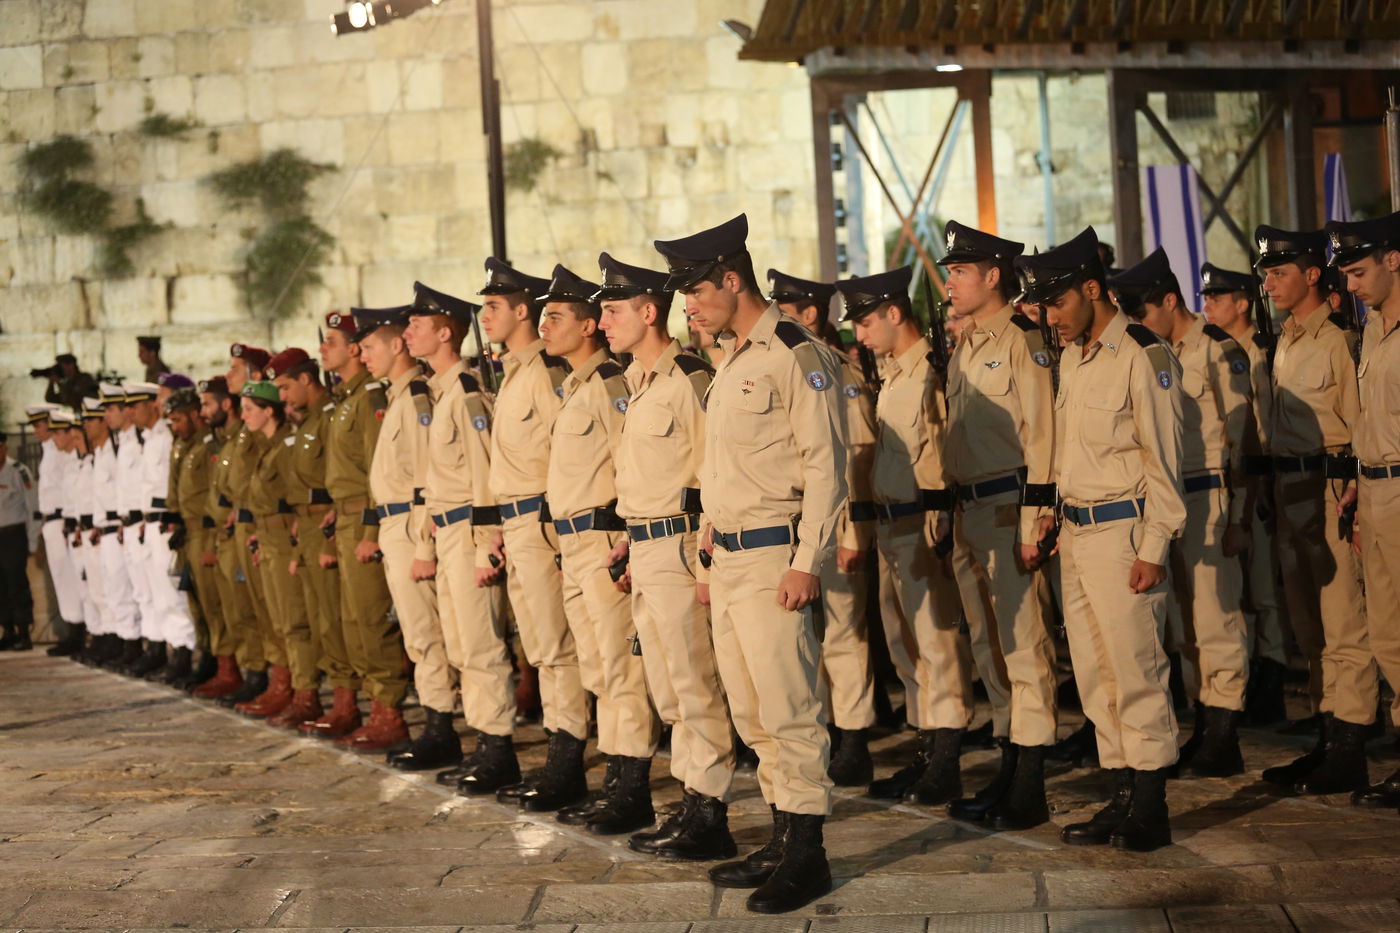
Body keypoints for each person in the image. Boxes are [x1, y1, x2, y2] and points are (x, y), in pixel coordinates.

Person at [657, 214, 846, 914]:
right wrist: (709, 554)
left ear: (731, 280)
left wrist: (809, 560)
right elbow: (721, 468)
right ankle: (781, 832)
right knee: (751, 708)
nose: (690, 308)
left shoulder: (795, 353)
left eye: (696, 294)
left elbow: (827, 469)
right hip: (731, 559)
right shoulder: (733, 356)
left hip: (776, 556)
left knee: (790, 707)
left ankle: (809, 855)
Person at [1019, 226, 1185, 852]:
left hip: (1125, 531)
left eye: (1057, 303)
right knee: (1093, 673)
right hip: (1080, 532)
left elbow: (1164, 461)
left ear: (1093, 289)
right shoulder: (1073, 356)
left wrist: (1153, 549)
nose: (1049, 317)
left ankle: (1150, 804)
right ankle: (1120, 793)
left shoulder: (1142, 354)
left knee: (1135, 668)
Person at [599, 251, 739, 858]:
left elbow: (714, 471)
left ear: (648, 312)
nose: (602, 323)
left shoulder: (689, 378)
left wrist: (706, 559)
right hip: (647, 546)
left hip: (683, 546)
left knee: (695, 681)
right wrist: (631, 541)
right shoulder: (637, 383)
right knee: (666, 685)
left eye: (611, 311)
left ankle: (710, 814)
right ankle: (688, 803)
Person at [1113, 249, 1253, 778]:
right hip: (1168, 502)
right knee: (1183, 625)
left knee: (1216, 618)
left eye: (1146, 312)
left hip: (1211, 496)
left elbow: (1241, 439)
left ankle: (1224, 731)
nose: (1141, 324)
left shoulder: (1217, 350)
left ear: (1169, 300)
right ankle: (1203, 720)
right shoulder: (1155, 354)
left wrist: (1240, 512)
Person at [938, 220, 1059, 829]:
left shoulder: (1020, 338)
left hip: (1009, 506)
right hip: (969, 510)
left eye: (959, 271)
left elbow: (1042, 433)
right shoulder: (968, 343)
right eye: (949, 271)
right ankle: (1011, 765)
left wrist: (1035, 518)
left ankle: (1030, 781)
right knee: (990, 646)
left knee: (1025, 645)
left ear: (992, 276)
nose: (949, 281)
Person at [843, 265, 972, 806]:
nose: (860, 334)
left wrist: (941, 524)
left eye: (867, 321)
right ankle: (925, 749)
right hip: (893, 524)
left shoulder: (929, 374)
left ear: (895, 313)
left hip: (923, 522)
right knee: (905, 648)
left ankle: (946, 759)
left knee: (938, 647)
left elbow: (942, 452)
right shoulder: (894, 373)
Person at [539, 263, 660, 832]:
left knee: (620, 666)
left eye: (555, 316)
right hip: (573, 541)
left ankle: (631, 785)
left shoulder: (611, 384)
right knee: (597, 667)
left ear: (588, 326)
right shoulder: (576, 387)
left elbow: (627, 463)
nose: (544, 326)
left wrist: (627, 542)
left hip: (605, 537)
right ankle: (616, 777)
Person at [1253, 226, 1370, 796]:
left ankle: (1350, 745)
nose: (1269, 282)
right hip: (1289, 488)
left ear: (1312, 275)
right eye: (1266, 274)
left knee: (1343, 619)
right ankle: (1328, 736)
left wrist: (1354, 500)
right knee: (1309, 625)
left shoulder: (1339, 341)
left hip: (1329, 488)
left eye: (1279, 272)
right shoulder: (1287, 339)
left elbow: (1358, 428)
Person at [479, 258, 590, 808]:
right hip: (517, 519)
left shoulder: (545, 372)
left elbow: (562, 454)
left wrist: (548, 524)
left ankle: (568, 760)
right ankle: (559, 751)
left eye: (493, 307)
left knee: (556, 644)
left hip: (543, 521)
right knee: (541, 647)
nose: (484, 316)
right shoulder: (516, 373)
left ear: (522, 311)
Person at [768, 268, 878, 787]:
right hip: (800, 529)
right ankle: (831, 729)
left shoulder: (835, 371)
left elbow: (851, 462)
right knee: (810, 639)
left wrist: (852, 534)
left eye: (786, 309)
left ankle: (855, 737)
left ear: (809, 314)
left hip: (836, 527)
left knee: (843, 635)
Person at [406, 283, 517, 787]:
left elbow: (484, 472)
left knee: (480, 644)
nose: (408, 333)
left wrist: (484, 545)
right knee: (458, 643)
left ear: (445, 332)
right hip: (446, 531)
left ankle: (498, 747)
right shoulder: (442, 392)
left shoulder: (467, 392)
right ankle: (481, 740)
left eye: (417, 325)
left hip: (468, 533)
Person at [1327, 211, 1400, 808]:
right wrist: (1357, 480)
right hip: (1374, 491)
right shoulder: (1374, 326)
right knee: (1388, 636)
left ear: (1393, 258)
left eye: (1358, 271)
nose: (1351, 286)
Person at [1198, 262, 1290, 726]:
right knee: (1248, 593)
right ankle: (1256, 674)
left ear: (1242, 303)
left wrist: (1262, 488)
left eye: (1216, 299)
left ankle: (1272, 677)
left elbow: (1262, 429)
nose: (1207, 306)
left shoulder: (1262, 351)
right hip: (1243, 481)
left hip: (1260, 481)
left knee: (1264, 590)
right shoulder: (1222, 351)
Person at [320, 307, 410, 752]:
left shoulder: (371, 397)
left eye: (331, 342)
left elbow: (381, 469)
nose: (324, 349)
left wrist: (371, 530)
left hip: (367, 518)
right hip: (347, 515)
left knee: (372, 619)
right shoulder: (346, 399)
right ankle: (369, 705)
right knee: (353, 619)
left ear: (354, 349)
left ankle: (389, 710)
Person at [360, 305, 446, 758]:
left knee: (425, 629)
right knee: (417, 631)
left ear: (396, 346)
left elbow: (426, 476)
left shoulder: (415, 396)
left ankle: (440, 726)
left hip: (410, 524)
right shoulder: (397, 395)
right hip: (394, 521)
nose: (363, 353)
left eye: (370, 345)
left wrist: (422, 543)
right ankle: (438, 719)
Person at [238, 376, 319, 722]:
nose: (243, 417)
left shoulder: (286, 446)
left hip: (286, 539)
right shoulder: (268, 447)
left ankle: (305, 692)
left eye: (249, 410)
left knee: (294, 621)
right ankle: (282, 684)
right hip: (268, 537)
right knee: (276, 620)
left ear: (269, 412)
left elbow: (295, 497)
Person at [271, 344, 344, 730]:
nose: (283, 397)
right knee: (317, 620)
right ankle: (328, 698)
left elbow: (337, 482)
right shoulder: (308, 421)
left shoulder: (329, 416)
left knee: (334, 620)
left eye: (285, 387)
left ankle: (347, 703)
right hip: (309, 528)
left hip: (329, 526)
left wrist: (329, 538)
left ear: (305, 379)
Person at [220, 344, 288, 709]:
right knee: (256, 611)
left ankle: (283, 683)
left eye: (236, 369)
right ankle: (263, 677)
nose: (229, 375)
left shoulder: (266, 425)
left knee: (282, 615)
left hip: (272, 525)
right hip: (248, 522)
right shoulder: (241, 430)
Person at [189, 377, 255, 700]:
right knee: (228, 610)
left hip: (242, 531)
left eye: (208, 404)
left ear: (226, 404)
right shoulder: (223, 441)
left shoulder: (242, 438)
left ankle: (258, 674)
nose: (203, 412)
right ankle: (236, 670)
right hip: (221, 533)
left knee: (246, 610)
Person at [164, 388, 221, 690]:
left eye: (177, 419)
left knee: (213, 603)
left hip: (205, 530)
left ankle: (218, 662)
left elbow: (213, 492)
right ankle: (207, 656)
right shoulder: (183, 445)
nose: (174, 426)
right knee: (196, 603)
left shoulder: (209, 445)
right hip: (188, 531)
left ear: (194, 414)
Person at [28, 405, 87, 655]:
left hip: (63, 520)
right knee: (62, 578)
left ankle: (78, 632)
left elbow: (67, 489)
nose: (40, 432)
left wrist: (65, 522)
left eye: (41, 426)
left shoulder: (60, 452)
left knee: (71, 577)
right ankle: (71, 629)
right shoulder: (48, 451)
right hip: (51, 521)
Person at [0, 429, 39, 651]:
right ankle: (8, 630)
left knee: (17, 585)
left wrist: (32, 541)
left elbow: (32, 507)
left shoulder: (19, 471)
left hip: (13, 535)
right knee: (0, 587)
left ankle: (24, 632)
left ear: (4, 448)